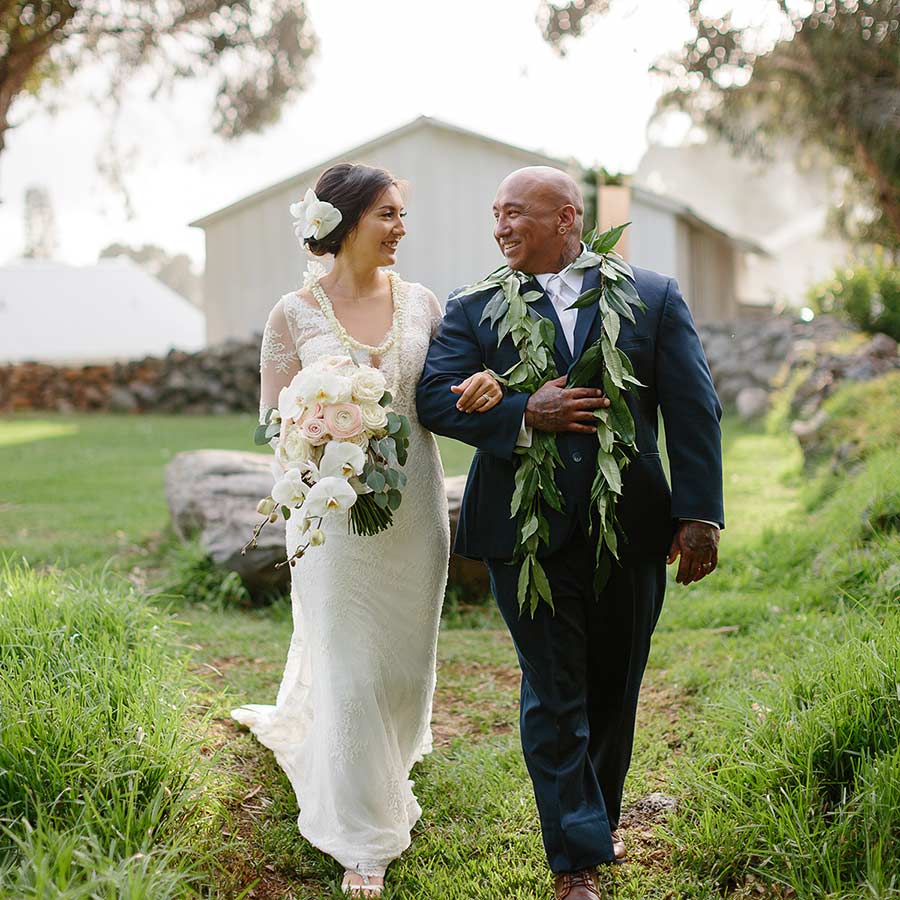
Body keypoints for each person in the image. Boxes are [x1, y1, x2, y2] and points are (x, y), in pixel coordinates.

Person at [416, 166, 724, 900]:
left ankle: (598, 820)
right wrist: (523, 411)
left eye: (516, 212)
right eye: (495, 214)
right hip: (523, 537)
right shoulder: (473, 306)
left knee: (613, 688)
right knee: (554, 691)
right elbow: (433, 396)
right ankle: (576, 861)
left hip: (634, 526)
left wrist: (700, 514)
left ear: (567, 219)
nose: (501, 227)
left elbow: (693, 408)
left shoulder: (651, 295)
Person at [231, 163, 503, 898]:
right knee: (350, 669)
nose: (399, 229)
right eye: (387, 214)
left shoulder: (422, 304)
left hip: (413, 507)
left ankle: (390, 753)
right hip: (332, 517)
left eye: (401, 216)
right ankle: (363, 837)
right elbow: (270, 421)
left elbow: (447, 392)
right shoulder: (293, 314)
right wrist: (314, 436)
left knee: (403, 666)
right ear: (344, 221)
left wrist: (485, 388)